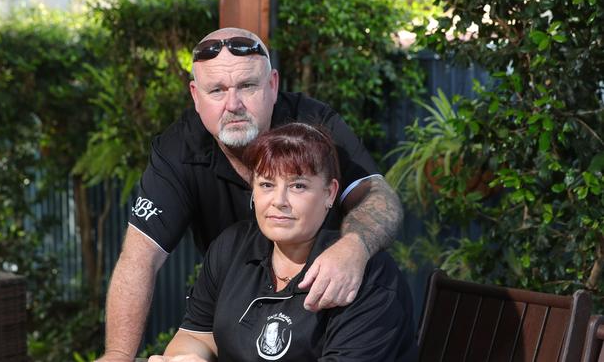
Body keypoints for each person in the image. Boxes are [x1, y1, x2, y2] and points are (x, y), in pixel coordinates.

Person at [99, 27, 403, 361]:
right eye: (216, 90)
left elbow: (378, 198)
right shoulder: (180, 155)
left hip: (330, 301)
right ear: (195, 96)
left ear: (272, 85)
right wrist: (118, 356)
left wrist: (354, 249)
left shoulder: (313, 128)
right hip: (241, 308)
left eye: (247, 86)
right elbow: (139, 260)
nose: (234, 104)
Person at [148, 123, 417, 361]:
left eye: (298, 186)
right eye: (266, 185)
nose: (279, 201)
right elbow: (196, 336)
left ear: (329, 193)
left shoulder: (365, 275)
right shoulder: (231, 248)